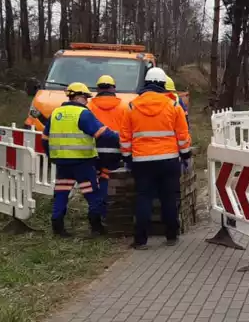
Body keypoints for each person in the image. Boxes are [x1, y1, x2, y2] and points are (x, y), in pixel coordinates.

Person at [120, 67, 192, 249]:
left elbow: (125, 137)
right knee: (168, 197)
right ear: (162, 84)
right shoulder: (173, 105)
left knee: (144, 198)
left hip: (142, 162)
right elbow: (183, 135)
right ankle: (171, 236)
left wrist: (128, 158)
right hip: (169, 161)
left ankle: (140, 240)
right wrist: (186, 155)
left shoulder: (132, 106)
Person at [42, 82, 119, 237]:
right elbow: (102, 134)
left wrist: (52, 156)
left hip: (62, 163)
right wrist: (122, 138)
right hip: (82, 162)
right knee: (92, 193)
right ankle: (96, 226)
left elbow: (45, 138)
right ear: (78, 97)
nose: (87, 101)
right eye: (86, 97)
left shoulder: (56, 113)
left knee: (62, 192)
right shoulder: (83, 114)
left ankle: (57, 226)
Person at [88, 75, 126, 219]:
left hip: (93, 150)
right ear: (113, 88)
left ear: (98, 89)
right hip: (115, 151)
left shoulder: (89, 107)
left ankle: (96, 212)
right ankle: (105, 211)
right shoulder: (123, 107)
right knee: (108, 179)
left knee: (95, 181)